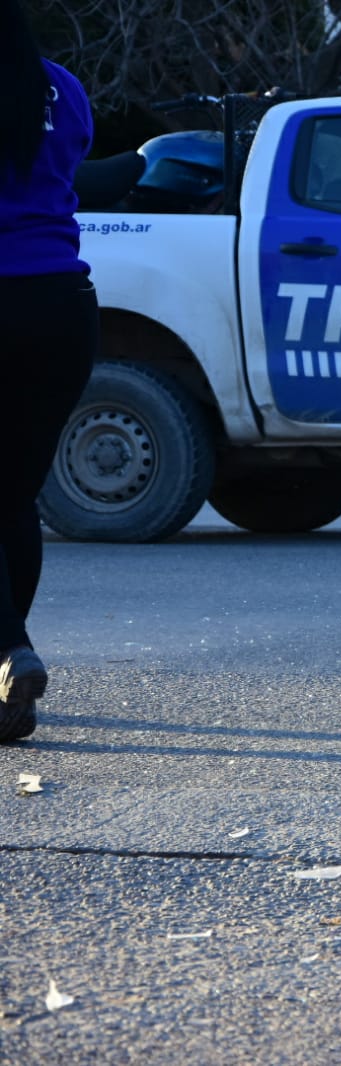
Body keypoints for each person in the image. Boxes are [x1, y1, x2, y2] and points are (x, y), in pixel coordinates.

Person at [0, 0, 98, 744]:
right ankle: (11, 691)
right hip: (62, 305)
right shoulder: (60, 87)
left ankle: (9, 652)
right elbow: (74, 159)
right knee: (16, 496)